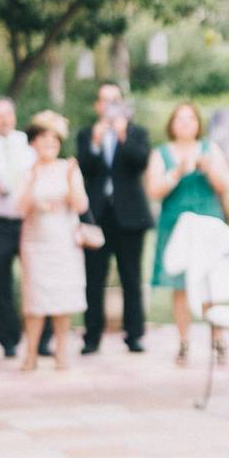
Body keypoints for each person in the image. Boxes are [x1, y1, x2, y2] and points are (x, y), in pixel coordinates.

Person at [145, 103, 229, 366]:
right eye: (179, 118)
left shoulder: (210, 149)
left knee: (211, 284)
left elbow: (224, 185)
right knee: (179, 285)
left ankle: (218, 339)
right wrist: (177, 173)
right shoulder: (161, 154)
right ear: (171, 124)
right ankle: (183, 341)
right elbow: (153, 191)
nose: (184, 123)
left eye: (190, 118)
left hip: (207, 222)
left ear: (197, 123)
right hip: (176, 224)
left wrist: (207, 169)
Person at [77, 82, 153, 354]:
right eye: (104, 100)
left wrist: (122, 136)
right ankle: (92, 335)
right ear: (97, 105)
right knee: (93, 278)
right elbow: (84, 167)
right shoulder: (87, 134)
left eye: (114, 101)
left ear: (122, 104)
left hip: (130, 217)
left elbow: (140, 162)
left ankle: (134, 334)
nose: (109, 106)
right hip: (97, 216)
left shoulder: (136, 133)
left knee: (131, 278)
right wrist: (96, 143)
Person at [16, 111, 89, 370]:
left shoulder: (68, 167)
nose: (50, 142)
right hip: (35, 243)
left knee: (63, 299)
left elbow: (80, 205)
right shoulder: (27, 172)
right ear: (33, 142)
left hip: (63, 243)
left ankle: (61, 353)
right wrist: (34, 186)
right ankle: (31, 354)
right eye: (43, 137)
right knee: (34, 301)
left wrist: (70, 181)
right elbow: (19, 209)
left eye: (54, 138)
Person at [0, 97, 36, 358]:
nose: (3, 120)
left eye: (7, 114)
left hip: (27, 220)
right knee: (0, 281)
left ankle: (40, 338)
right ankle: (9, 338)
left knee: (36, 277)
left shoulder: (26, 144)